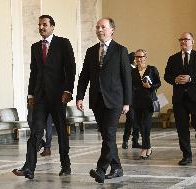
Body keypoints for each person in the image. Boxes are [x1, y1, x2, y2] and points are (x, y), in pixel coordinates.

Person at [12, 15, 76, 179]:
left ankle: (66, 165)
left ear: (52, 26)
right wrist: (31, 94)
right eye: (39, 25)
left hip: (58, 96)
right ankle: (29, 168)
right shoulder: (35, 47)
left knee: (61, 132)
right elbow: (34, 72)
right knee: (35, 132)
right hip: (40, 97)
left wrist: (68, 90)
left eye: (45, 24)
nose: (41, 27)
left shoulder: (63, 43)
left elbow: (71, 68)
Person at [76, 18, 132, 183]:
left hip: (115, 100)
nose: (100, 30)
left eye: (103, 27)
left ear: (112, 30)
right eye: (98, 27)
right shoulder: (91, 51)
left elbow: (126, 78)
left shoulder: (121, 50)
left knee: (109, 134)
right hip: (97, 100)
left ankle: (101, 169)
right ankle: (116, 168)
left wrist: (127, 102)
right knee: (108, 136)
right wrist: (79, 96)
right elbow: (84, 76)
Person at [164, 32, 196, 165]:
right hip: (180, 99)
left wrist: (190, 78)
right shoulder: (173, 58)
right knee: (182, 128)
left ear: (193, 41)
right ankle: (186, 155)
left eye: (186, 39)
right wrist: (174, 79)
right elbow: (166, 75)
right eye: (181, 39)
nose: (183, 41)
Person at [132, 49, 161, 159]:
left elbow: (158, 83)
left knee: (146, 125)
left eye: (141, 57)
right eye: (137, 57)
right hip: (137, 102)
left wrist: (151, 86)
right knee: (140, 125)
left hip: (149, 102)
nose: (139, 59)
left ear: (145, 57)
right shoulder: (133, 72)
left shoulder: (152, 69)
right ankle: (148, 147)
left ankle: (145, 148)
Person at [122, 52, 141, 149]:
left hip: (138, 99)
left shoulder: (139, 69)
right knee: (131, 119)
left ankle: (135, 141)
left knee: (137, 120)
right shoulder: (127, 69)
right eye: (137, 58)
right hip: (130, 99)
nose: (139, 60)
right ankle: (125, 140)